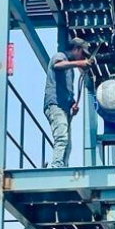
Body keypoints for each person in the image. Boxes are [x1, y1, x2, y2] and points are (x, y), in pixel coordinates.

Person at [43, 38, 93, 168]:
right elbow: (57, 65)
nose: (82, 57)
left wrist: (72, 105)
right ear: (76, 49)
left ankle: (62, 167)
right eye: (82, 53)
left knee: (67, 144)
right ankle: (57, 167)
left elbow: (67, 91)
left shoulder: (70, 71)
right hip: (55, 105)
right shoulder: (60, 56)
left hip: (64, 108)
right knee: (62, 138)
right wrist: (79, 63)